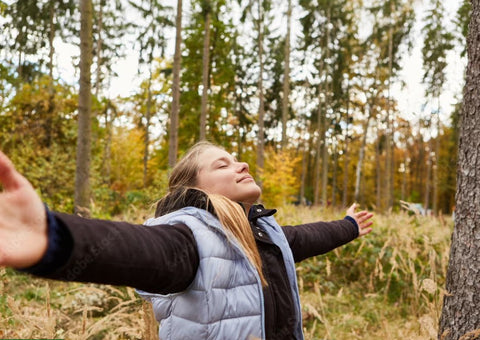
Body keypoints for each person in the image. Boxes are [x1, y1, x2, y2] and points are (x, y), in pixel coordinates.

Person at [0, 141, 373, 340]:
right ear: (194, 188)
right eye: (222, 164)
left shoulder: (264, 233)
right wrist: (54, 236)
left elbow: (308, 237)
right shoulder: (190, 238)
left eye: (237, 159)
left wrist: (349, 225)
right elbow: (138, 249)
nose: (241, 165)